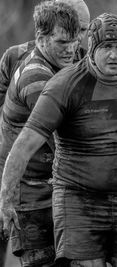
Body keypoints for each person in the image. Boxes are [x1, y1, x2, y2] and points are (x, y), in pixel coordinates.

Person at [0, 12, 117, 267]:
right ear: (92, 48)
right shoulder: (64, 85)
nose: (114, 55)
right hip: (78, 201)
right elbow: (23, 146)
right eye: (107, 47)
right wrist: (6, 201)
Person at [0, 1, 80, 266]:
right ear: (41, 39)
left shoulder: (62, 63)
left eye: (75, 40)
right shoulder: (36, 77)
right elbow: (68, 139)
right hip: (29, 191)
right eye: (62, 42)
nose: (71, 49)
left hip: (52, 185)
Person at [0, 0, 90, 110]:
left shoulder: (88, 63)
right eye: (68, 28)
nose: (78, 37)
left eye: (82, 30)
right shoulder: (15, 56)